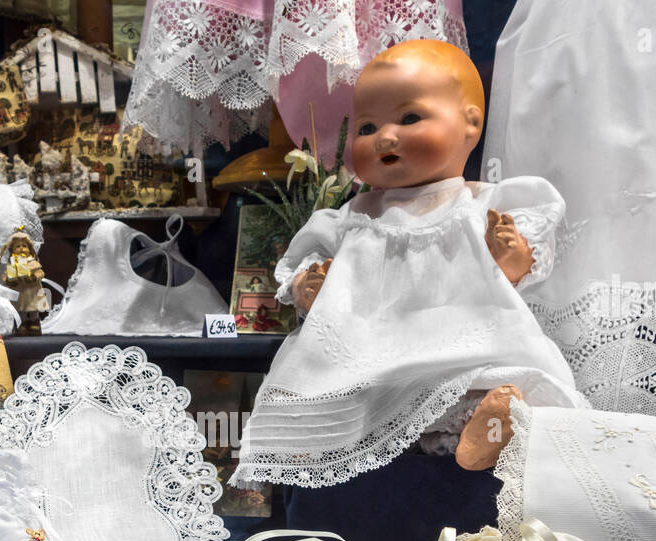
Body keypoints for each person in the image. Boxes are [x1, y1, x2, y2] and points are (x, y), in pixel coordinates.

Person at [231, 39, 584, 489]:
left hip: (460, 338)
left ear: (470, 124)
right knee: (332, 392)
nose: (385, 136)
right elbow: (312, 260)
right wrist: (309, 286)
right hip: (364, 347)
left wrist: (509, 255)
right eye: (366, 127)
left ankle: (485, 424)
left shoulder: (480, 203)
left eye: (410, 118)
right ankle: (327, 447)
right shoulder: (352, 216)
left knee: (478, 379)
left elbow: (517, 274)